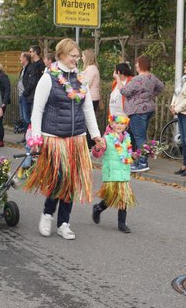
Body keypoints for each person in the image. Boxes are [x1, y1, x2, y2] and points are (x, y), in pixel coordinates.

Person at [24, 38, 105, 240]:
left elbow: (88, 109)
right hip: (54, 138)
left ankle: (64, 223)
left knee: (71, 182)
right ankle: (47, 214)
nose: (76, 60)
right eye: (72, 56)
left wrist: (96, 135)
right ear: (61, 55)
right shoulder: (48, 78)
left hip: (77, 138)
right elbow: (37, 109)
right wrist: (36, 138)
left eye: (78, 56)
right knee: (58, 179)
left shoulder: (81, 79)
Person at [91, 113, 136, 233]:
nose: (119, 125)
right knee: (111, 197)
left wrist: (134, 156)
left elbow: (128, 156)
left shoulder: (127, 139)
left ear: (126, 125)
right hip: (111, 173)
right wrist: (97, 147)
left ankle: (122, 223)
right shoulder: (106, 139)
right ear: (111, 124)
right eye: (117, 123)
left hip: (124, 173)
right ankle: (98, 208)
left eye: (122, 123)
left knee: (123, 198)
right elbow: (96, 154)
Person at [120, 55, 165, 173]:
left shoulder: (137, 79)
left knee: (139, 137)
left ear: (141, 65)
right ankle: (138, 160)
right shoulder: (152, 77)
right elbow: (161, 87)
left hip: (137, 110)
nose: (135, 65)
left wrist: (118, 80)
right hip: (148, 108)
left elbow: (124, 91)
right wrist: (151, 95)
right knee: (140, 136)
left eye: (137, 63)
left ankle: (143, 163)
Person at [82, 49, 101, 113]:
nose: (82, 58)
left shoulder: (91, 68)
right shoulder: (91, 68)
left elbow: (86, 84)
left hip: (91, 97)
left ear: (87, 57)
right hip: (91, 97)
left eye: (83, 56)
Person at [17, 52, 32, 129]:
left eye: (21, 57)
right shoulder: (23, 68)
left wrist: (25, 93)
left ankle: (29, 134)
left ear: (25, 58)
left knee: (26, 117)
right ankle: (26, 133)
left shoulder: (29, 68)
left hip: (25, 95)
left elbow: (31, 82)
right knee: (22, 117)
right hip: (21, 95)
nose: (20, 58)